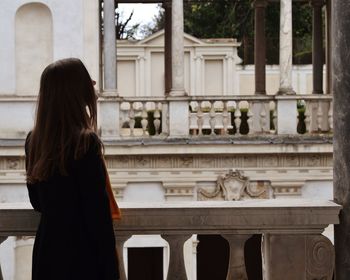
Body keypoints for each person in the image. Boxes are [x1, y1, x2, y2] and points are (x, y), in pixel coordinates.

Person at [25, 58, 120, 280]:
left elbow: (37, 202)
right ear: (76, 92)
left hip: (48, 255)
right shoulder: (85, 143)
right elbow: (98, 215)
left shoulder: (34, 140)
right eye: (88, 81)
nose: (93, 85)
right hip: (83, 257)